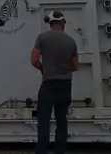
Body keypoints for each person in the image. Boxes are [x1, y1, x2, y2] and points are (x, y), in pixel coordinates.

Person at [30, 10, 78, 154]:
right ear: (62, 23)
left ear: (50, 23)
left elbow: (34, 60)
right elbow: (75, 66)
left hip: (49, 84)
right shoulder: (71, 41)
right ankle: (59, 151)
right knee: (61, 120)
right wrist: (64, 70)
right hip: (65, 85)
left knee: (44, 120)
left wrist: (44, 69)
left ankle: (41, 151)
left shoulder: (42, 37)